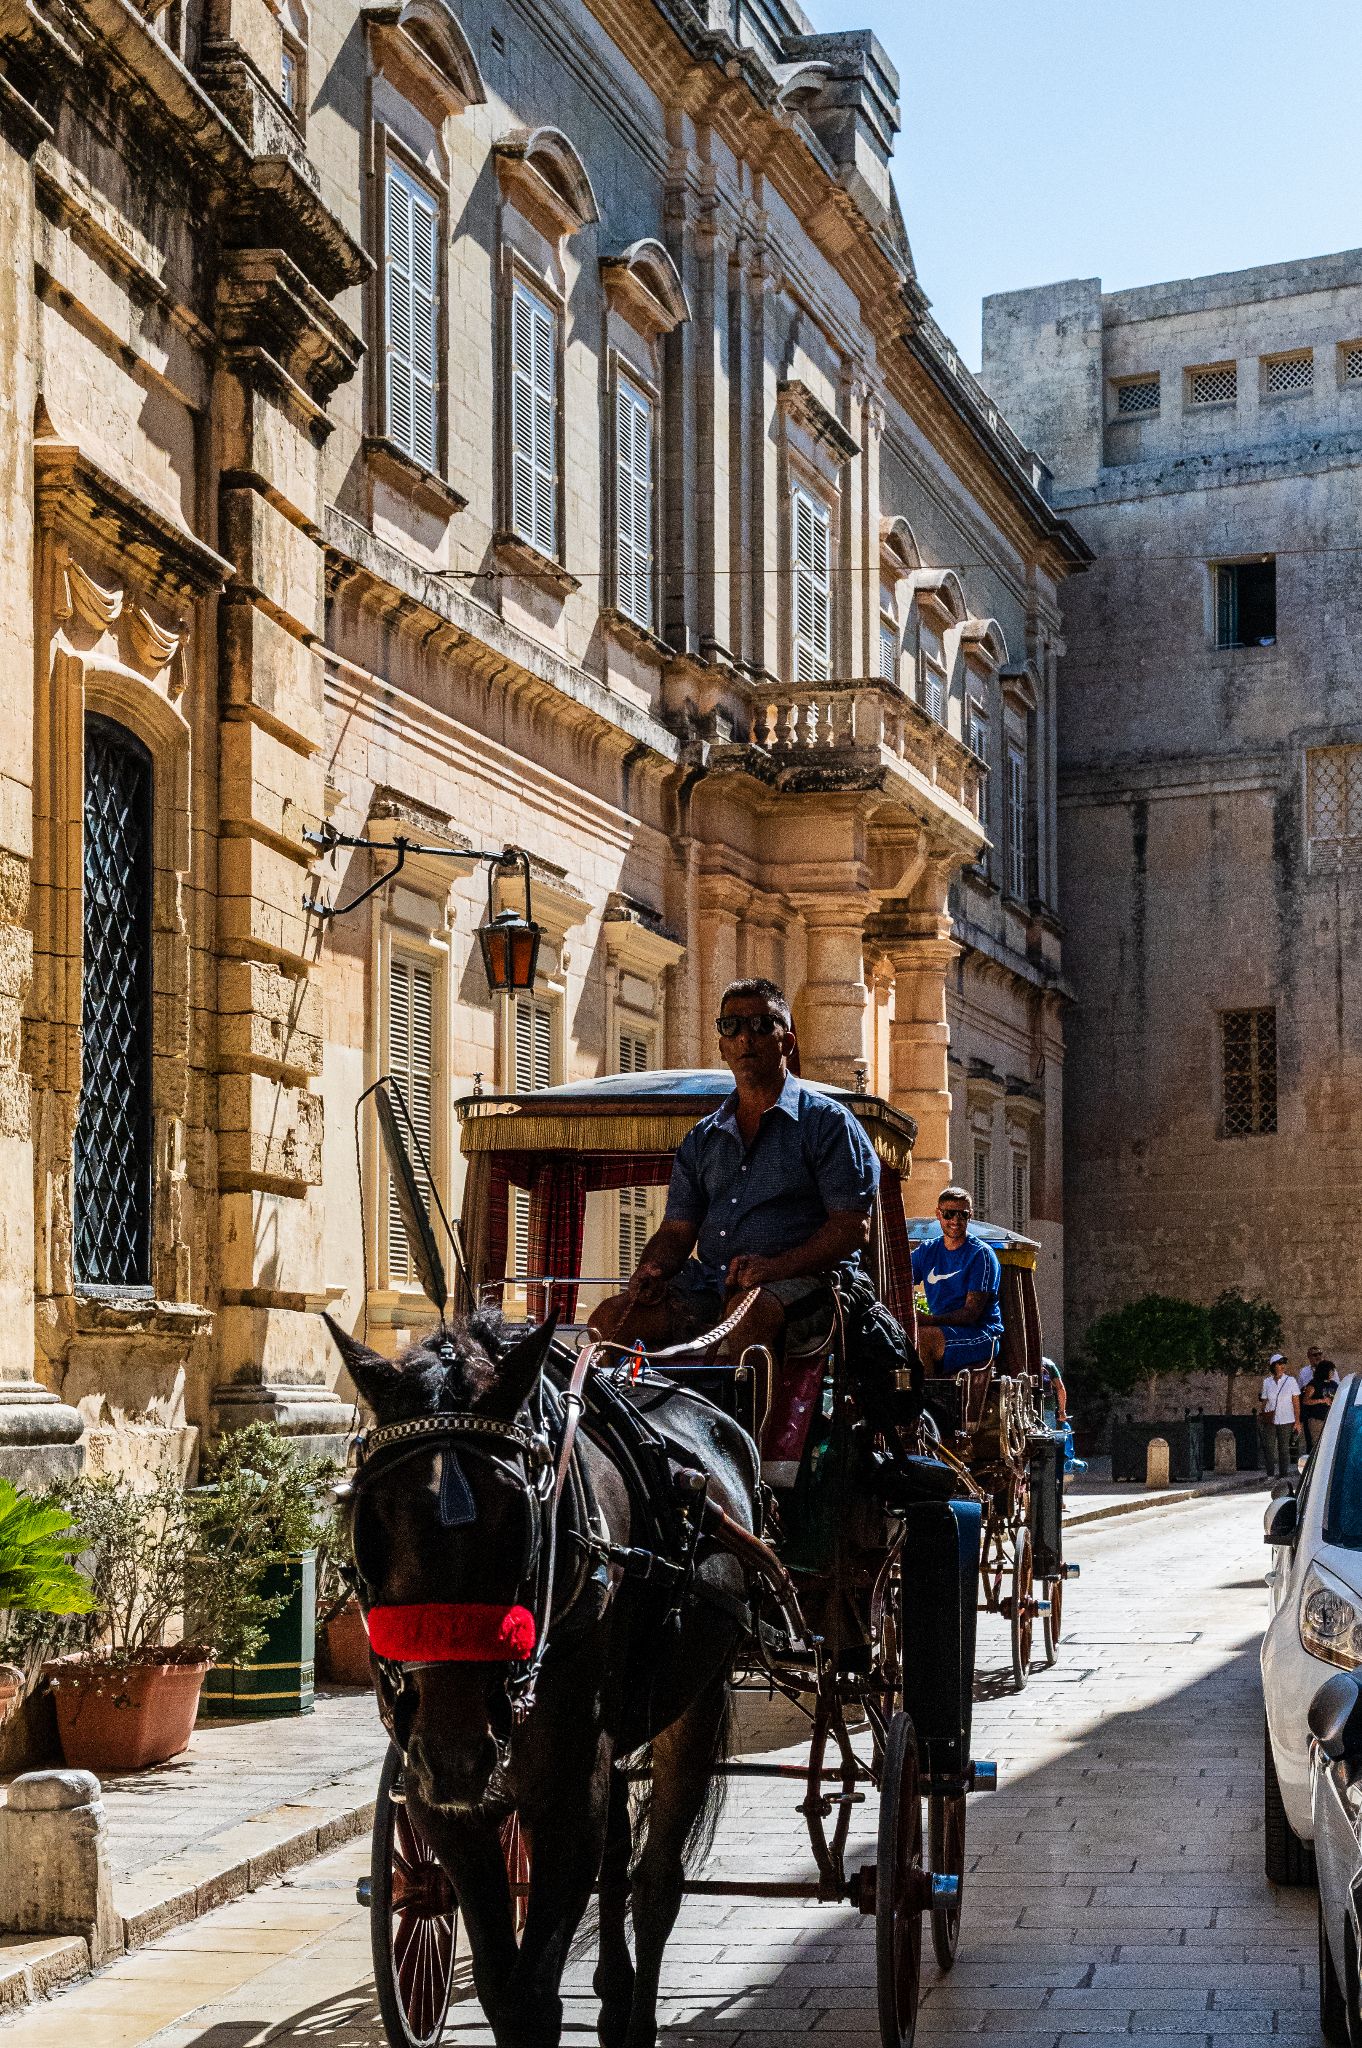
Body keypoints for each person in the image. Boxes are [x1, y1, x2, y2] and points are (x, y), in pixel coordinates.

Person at [589, 978, 879, 1364]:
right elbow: (677, 1230)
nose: (745, 1038)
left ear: (786, 1043)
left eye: (761, 1025)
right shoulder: (703, 1138)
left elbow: (851, 1228)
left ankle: (753, 1425)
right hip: (711, 1285)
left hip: (809, 1286)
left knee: (749, 1315)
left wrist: (773, 1268)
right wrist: (655, 1268)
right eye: (731, 1027)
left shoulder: (827, 1124)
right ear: (722, 1044)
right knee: (608, 1319)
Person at [911, 1187, 1004, 1373]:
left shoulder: (981, 1255)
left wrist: (928, 1320)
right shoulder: (926, 1251)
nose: (955, 1220)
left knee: (923, 1339)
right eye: (949, 1213)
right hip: (943, 1329)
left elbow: (971, 1314)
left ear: (970, 1215)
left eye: (962, 1214)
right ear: (938, 1214)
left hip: (981, 1334)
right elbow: (899, 1282)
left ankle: (929, 1400)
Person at [1259, 1353, 1301, 1481]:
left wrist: (1297, 1421)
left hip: (1286, 1419)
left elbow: (1296, 1402)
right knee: (1269, 1447)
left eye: (1284, 1363)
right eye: (1279, 1363)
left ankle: (1283, 1475)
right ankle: (1270, 1474)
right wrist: (1263, 1415)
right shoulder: (1267, 1382)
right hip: (1271, 1420)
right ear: (1273, 1366)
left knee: (1283, 1448)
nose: (1282, 1366)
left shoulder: (1291, 1381)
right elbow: (1264, 1401)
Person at [1300, 1346, 1340, 1453]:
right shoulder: (1313, 1383)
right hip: (1316, 1418)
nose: (1318, 1356)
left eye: (1320, 1354)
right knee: (1316, 1447)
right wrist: (1322, 1400)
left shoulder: (1334, 1383)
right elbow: (1305, 1400)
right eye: (1315, 1355)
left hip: (1330, 1419)